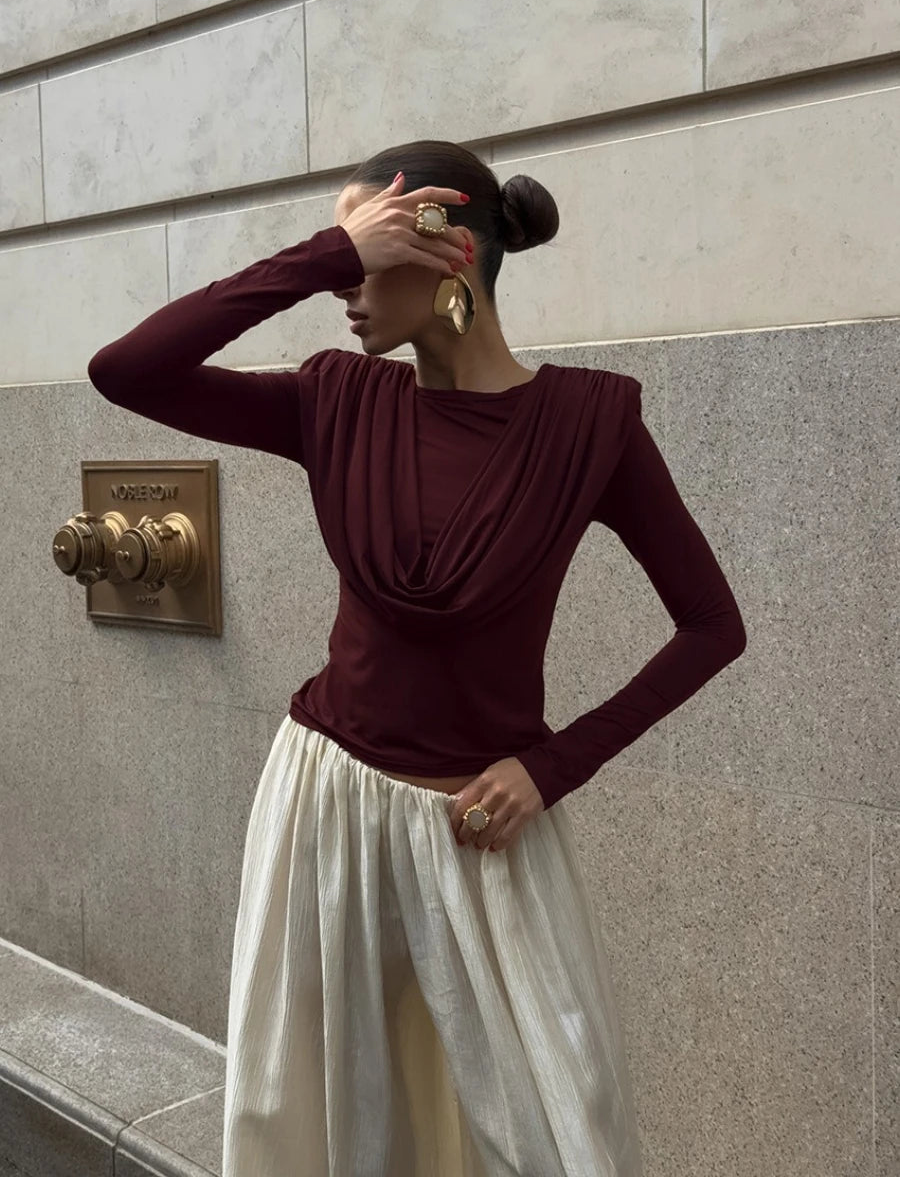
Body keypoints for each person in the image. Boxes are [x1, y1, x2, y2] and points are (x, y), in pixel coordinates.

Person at [87, 138, 746, 1176]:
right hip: (327, 805)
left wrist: (551, 766)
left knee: (554, 1129)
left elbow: (713, 624)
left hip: (482, 831)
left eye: (368, 255)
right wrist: (321, 250)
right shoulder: (335, 400)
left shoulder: (589, 424)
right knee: (330, 1118)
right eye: (342, 257)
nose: (343, 289)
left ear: (449, 258)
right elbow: (126, 370)